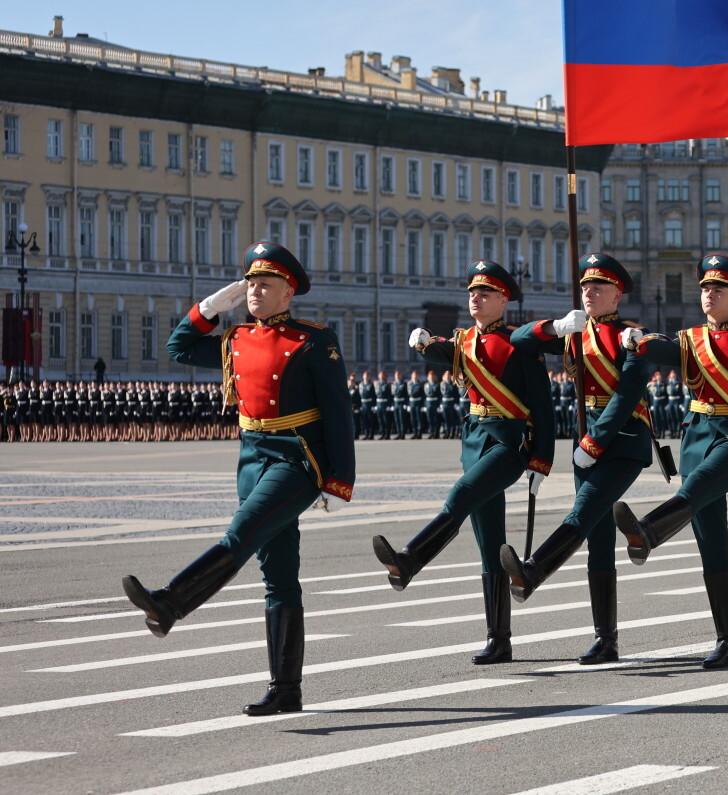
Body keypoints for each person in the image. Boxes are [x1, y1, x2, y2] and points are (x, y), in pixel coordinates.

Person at [122, 242, 355, 716]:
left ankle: (172, 602)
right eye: (250, 283)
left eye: (265, 283)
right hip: (252, 459)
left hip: (296, 461)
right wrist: (208, 309)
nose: (254, 290)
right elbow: (178, 347)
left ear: (289, 292)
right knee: (279, 576)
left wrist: (338, 478)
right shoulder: (237, 339)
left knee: (241, 533)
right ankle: (286, 689)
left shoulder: (314, 341)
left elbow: (337, 412)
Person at [372, 261, 555, 665]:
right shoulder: (464, 341)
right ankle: (498, 639)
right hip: (474, 443)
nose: (476, 299)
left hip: (509, 443)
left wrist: (541, 460)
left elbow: (543, 403)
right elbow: (444, 352)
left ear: (504, 299)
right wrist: (421, 342)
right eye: (472, 293)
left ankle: (410, 559)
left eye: (485, 293)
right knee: (489, 544)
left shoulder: (519, 343)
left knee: (461, 495)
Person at [612, 254, 728, 667]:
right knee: (711, 543)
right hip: (697, 438)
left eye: (719, 289)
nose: (709, 294)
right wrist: (636, 339)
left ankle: (648, 532)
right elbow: (664, 350)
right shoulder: (689, 340)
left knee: (699, 485)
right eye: (705, 288)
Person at [500, 253, 654, 665]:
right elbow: (517, 341)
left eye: (598, 287)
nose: (589, 292)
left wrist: (594, 443)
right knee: (598, 541)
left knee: (582, 513)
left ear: (618, 294)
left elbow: (626, 397)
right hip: (586, 443)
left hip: (621, 443)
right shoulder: (574, 333)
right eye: (585, 287)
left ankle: (533, 571)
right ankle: (607, 639)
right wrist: (555, 326)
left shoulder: (633, 335)